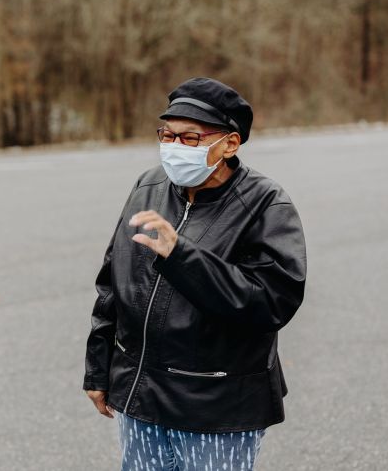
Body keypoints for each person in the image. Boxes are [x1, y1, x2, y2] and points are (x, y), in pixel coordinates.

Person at [83, 77, 307, 470]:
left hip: (216, 407)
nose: (173, 148)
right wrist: (99, 370)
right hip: (141, 399)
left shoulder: (266, 204)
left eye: (190, 138)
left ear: (230, 143)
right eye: (167, 135)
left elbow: (272, 302)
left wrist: (182, 256)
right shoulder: (148, 186)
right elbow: (111, 284)